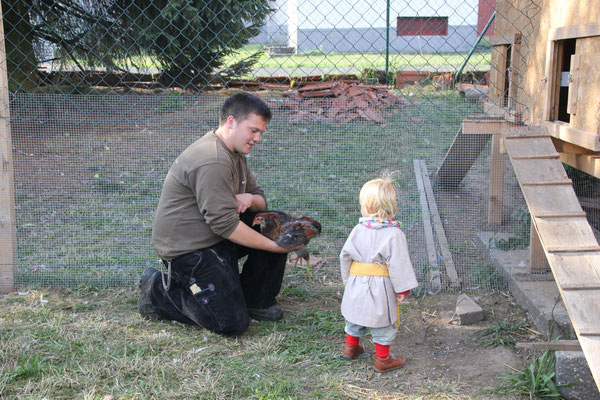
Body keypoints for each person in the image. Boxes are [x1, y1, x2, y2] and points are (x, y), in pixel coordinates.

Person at [138, 92, 300, 336]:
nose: (257, 138)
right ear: (231, 121)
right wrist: (275, 247)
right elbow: (227, 226)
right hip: (188, 250)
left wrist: (250, 198)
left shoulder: (235, 153)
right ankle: (158, 292)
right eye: (253, 130)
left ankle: (256, 300)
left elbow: (260, 199)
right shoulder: (212, 159)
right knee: (230, 324)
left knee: (275, 222)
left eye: (261, 133)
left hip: (214, 237)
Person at [339, 176, 418, 372]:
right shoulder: (394, 233)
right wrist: (402, 288)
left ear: (366, 206)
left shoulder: (358, 229)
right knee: (382, 319)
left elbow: (345, 256)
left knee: (354, 314)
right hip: (380, 286)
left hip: (357, 281)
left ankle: (350, 347)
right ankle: (382, 360)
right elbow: (399, 263)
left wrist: (348, 281)